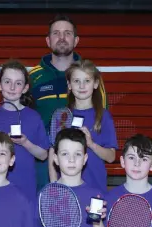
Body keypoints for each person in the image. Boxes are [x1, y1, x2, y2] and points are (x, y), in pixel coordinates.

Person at [29, 14, 108, 193]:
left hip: (82, 164)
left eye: (67, 33)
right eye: (56, 33)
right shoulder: (33, 77)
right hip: (42, 167)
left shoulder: (91, 77)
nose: (62, 37)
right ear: (48, 40)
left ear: (76, 40)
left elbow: (101, 120)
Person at [0, 59, 48, 202]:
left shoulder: (33, 117)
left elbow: (43, 155)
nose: (12, 87)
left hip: (25, 188)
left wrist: (26, 143)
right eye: (7, 82)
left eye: (18, 83)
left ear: (25, 88)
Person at [36, 128, 108, 227]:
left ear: (85, 159)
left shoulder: (96, 196)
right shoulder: (45, 194)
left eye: (77, 154)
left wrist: (97, 223)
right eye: (65, 154)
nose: (71, 159)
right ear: (55, 159)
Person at [51, 59, 116, 194]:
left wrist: (91, 144)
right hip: (65, 190)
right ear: (69, 85)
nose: (82, 86)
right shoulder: (62, 116)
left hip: (95, 187)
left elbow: (111, 157)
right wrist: (53, 185)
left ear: (96, 84)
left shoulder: (103, 117)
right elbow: (52, 152)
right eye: (76, 81)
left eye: (87, 81)